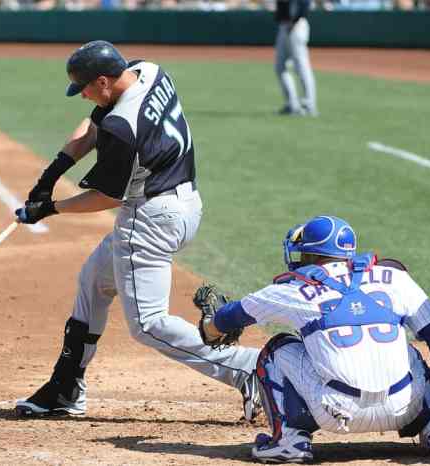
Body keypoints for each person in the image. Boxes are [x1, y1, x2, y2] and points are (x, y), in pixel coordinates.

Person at [13, 40, 261, 421]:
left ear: (102, 81)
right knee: (95, 279)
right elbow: (96, 120)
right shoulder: (149, 71)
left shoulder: (122, 128)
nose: (82, 96)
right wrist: (54, 171)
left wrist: (50, 208)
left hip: (149, 219)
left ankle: (251, 369)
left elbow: (106, 197)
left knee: (149, 324)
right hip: (184, 203)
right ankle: (66, 386)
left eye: (84, 88)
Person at [200, 215, 430, 463]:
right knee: (410, 351)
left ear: (311, 255)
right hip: (404, 407)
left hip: (335, 413)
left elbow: (230, 317)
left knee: (277, 349)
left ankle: (288, 441)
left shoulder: (295, 290)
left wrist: (210, 328)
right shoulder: (394, 278)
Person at [274, 0, 318, 117]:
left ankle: (309, 105)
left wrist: (294, 21)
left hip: (297, 25)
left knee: (302, 67)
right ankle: (292, 104)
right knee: (280, 67)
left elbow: (304, 4)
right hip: (284, 25)